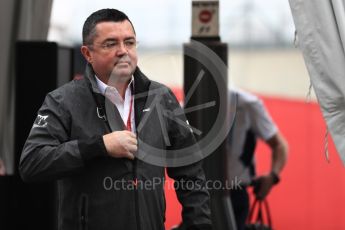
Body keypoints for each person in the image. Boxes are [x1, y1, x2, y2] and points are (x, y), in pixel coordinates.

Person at [19, 9, 212, 230]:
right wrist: (99, 146)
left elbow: (190, 170)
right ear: (87, 53)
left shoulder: (161, 97)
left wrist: (199, 225)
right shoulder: (62, 101)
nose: (123, 51)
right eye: (110, 44)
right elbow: (32, 163)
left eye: (129, 42)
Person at [227, 89, 288, 230]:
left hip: (235, 194)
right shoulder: (191, 102)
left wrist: (273, 176)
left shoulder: (246, 103)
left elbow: (280, 145)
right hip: (200, 194)